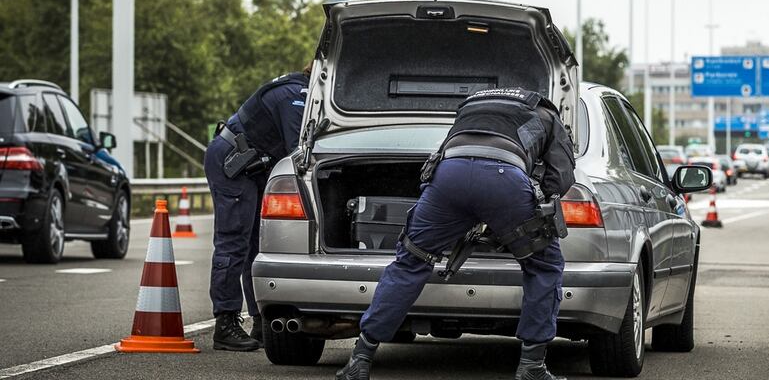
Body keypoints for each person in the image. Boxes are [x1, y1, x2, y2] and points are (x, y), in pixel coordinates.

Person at [336, 87, 576, 380]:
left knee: (410, 262)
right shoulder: (545, 113)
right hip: (505, 180)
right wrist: (528, 205)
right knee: (544, 265)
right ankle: (532, 367)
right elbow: (560, 176)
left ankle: (360, 359)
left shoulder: (471, 106)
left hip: (449, 176)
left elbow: (443, 155)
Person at [204, 66, 311, 351]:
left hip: (250, 166)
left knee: (255, 244)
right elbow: (297, 152)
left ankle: (260, 323)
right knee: (234, 241)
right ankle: (225, 324)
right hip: (234, 162)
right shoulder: (297, 95)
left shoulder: (300, 90)